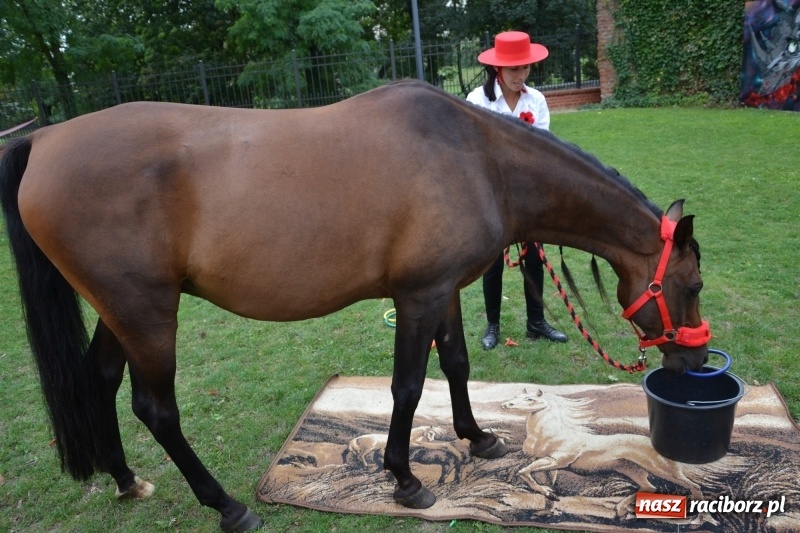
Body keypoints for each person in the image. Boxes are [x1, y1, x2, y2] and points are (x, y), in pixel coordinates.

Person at [466, 31, 567, 350]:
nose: (520, 75)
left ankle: (536, 323)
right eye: (514, 69)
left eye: (525, 68)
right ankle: (493, 325)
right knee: (491, 260)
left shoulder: (535, 100)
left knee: (534, 256)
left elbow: (542, 148)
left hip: (526, 194)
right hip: (491, 196)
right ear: (498, 70)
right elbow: (474, 151)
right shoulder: (477, 101)